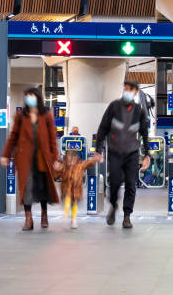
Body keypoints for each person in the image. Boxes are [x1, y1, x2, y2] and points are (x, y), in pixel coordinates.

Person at [1, 88, 61, 230]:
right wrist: (6, 154)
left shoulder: (46, 116)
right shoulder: (21, 116)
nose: (29, 98)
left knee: (42, 188)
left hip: (42, 158)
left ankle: (44, 216)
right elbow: (13, 137)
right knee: (26, 188)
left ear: (38, 97)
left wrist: (55, 158)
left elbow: (53, 139)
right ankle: (28, 219)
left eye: (31, 96)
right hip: (25, 159)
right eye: (27, 96)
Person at [93, 81, 150, 229]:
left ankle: (127, 216)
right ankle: (113, 206)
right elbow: (103, 128)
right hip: (115, 152)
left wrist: (147, 155)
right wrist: (98, 150)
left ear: (136, 92)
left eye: (130, 89)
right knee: (115, 182)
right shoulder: (114, 106)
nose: (127, 91)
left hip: (132, 153)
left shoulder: (139, 110)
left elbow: (144, 133)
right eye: (125, 89)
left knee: (131, 184)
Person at [58, 151, 97, 229]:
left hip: (77, 191)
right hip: (66, 189)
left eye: (73, 160)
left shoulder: (80, 165)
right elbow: (56, 173)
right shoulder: (64, 167)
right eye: (69, 160)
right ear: (66, 160)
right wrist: (56, 167)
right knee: (67, 199)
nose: (71, 162)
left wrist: (95, 159)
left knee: (74, 204)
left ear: (77, 159)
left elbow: (89, 163)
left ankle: (73, 219)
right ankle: (65, 216)